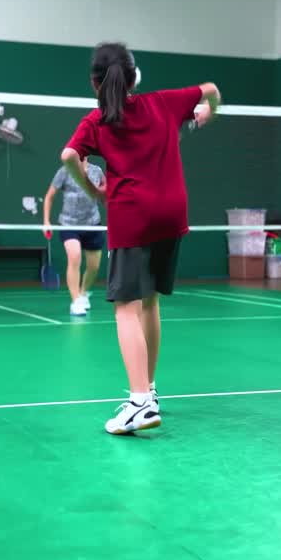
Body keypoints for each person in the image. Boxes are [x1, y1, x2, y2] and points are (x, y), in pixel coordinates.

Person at [61, 42, 220, 435]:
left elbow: (68, 156)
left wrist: (91, 188)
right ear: (134, 76)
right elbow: (212, 89)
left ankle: (139, 403)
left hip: (134, 215)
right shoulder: (164, 103)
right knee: (149, 302)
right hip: (173, 213)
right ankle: (148, 389)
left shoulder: (96, 121)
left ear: (93, 82)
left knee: (125, 307)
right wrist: (205, 115)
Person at [43, 157, 105, 316]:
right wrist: (46, 221)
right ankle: (75, 300)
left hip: (92, 223)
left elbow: (105, 193)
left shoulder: (96, 171)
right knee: (75, 256)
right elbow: (49, 196)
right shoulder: (64, 171)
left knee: (94, 266)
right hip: (69, 224)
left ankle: (83, 293)